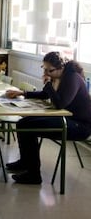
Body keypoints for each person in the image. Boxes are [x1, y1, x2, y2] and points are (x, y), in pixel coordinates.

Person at [5, 51, 91, 184]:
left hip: (79, 126)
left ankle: (33, 175)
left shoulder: (72, 78)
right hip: (66, 119)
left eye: (49, 70)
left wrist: (48, 84)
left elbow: (60, 104)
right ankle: (25, 162)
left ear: (60, 68)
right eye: (44, 69)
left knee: (29, 126)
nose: (46, 73)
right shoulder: (59, 76)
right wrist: (22, 93)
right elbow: (45, 94)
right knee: (22, 122)